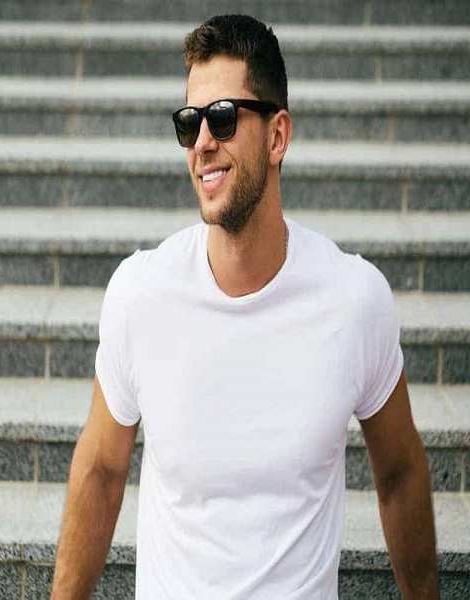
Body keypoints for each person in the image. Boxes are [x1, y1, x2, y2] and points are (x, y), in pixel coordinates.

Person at [51, 14, 438, 599]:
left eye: (225, 117)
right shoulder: (141, 294)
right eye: (190, 124)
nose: (203, 142)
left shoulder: (354, 300)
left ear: (277, 136)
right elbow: (101, 471)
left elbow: (401, 473)